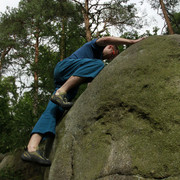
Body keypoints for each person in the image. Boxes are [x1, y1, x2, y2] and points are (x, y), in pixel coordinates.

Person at [21, 36, 145, 166]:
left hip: (68, 82)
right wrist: (132, 42)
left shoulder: (92, 66)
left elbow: (90, 86)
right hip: (65, 68)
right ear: (109, 47)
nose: (109, 58)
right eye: (112, 54)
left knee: (53, 111)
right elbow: (107, 38)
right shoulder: (95, 47)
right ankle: (60, 93)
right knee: (98, 64)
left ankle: (31, 149)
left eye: (111, 58)